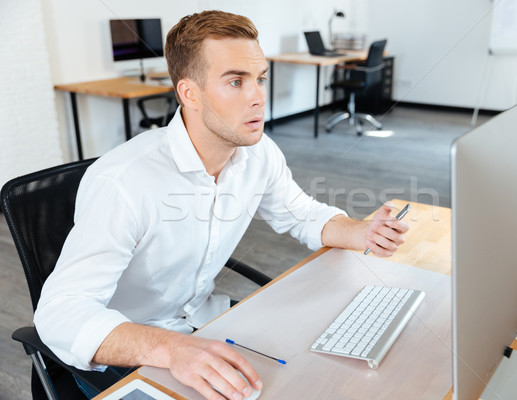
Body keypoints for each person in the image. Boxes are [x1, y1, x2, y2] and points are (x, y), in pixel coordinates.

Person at [34, 10, 409, 400]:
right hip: (129, 352)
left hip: (204, 324)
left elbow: (301, 213)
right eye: (236, 81)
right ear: (189, 93)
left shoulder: (259, 154)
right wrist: (170, 349)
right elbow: (60, 314)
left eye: (260, 78)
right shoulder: (123, 183)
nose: (258, 97)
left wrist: (361, 230)